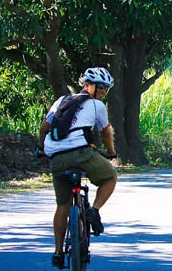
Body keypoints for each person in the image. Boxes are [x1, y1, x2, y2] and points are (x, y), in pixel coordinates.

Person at [38, 67, 118, 268]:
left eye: (106, 88)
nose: (103, 91)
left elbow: (44, 128)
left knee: (62, 205)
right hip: (82, 153)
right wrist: (111, 153)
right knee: (110, 177)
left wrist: (42, 149)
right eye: (101, 87)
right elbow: (106, 133)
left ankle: (58, 252)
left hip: (56, 156)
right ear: (88, 85)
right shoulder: (96, 105)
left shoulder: (61, 101)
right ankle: (94, 211)